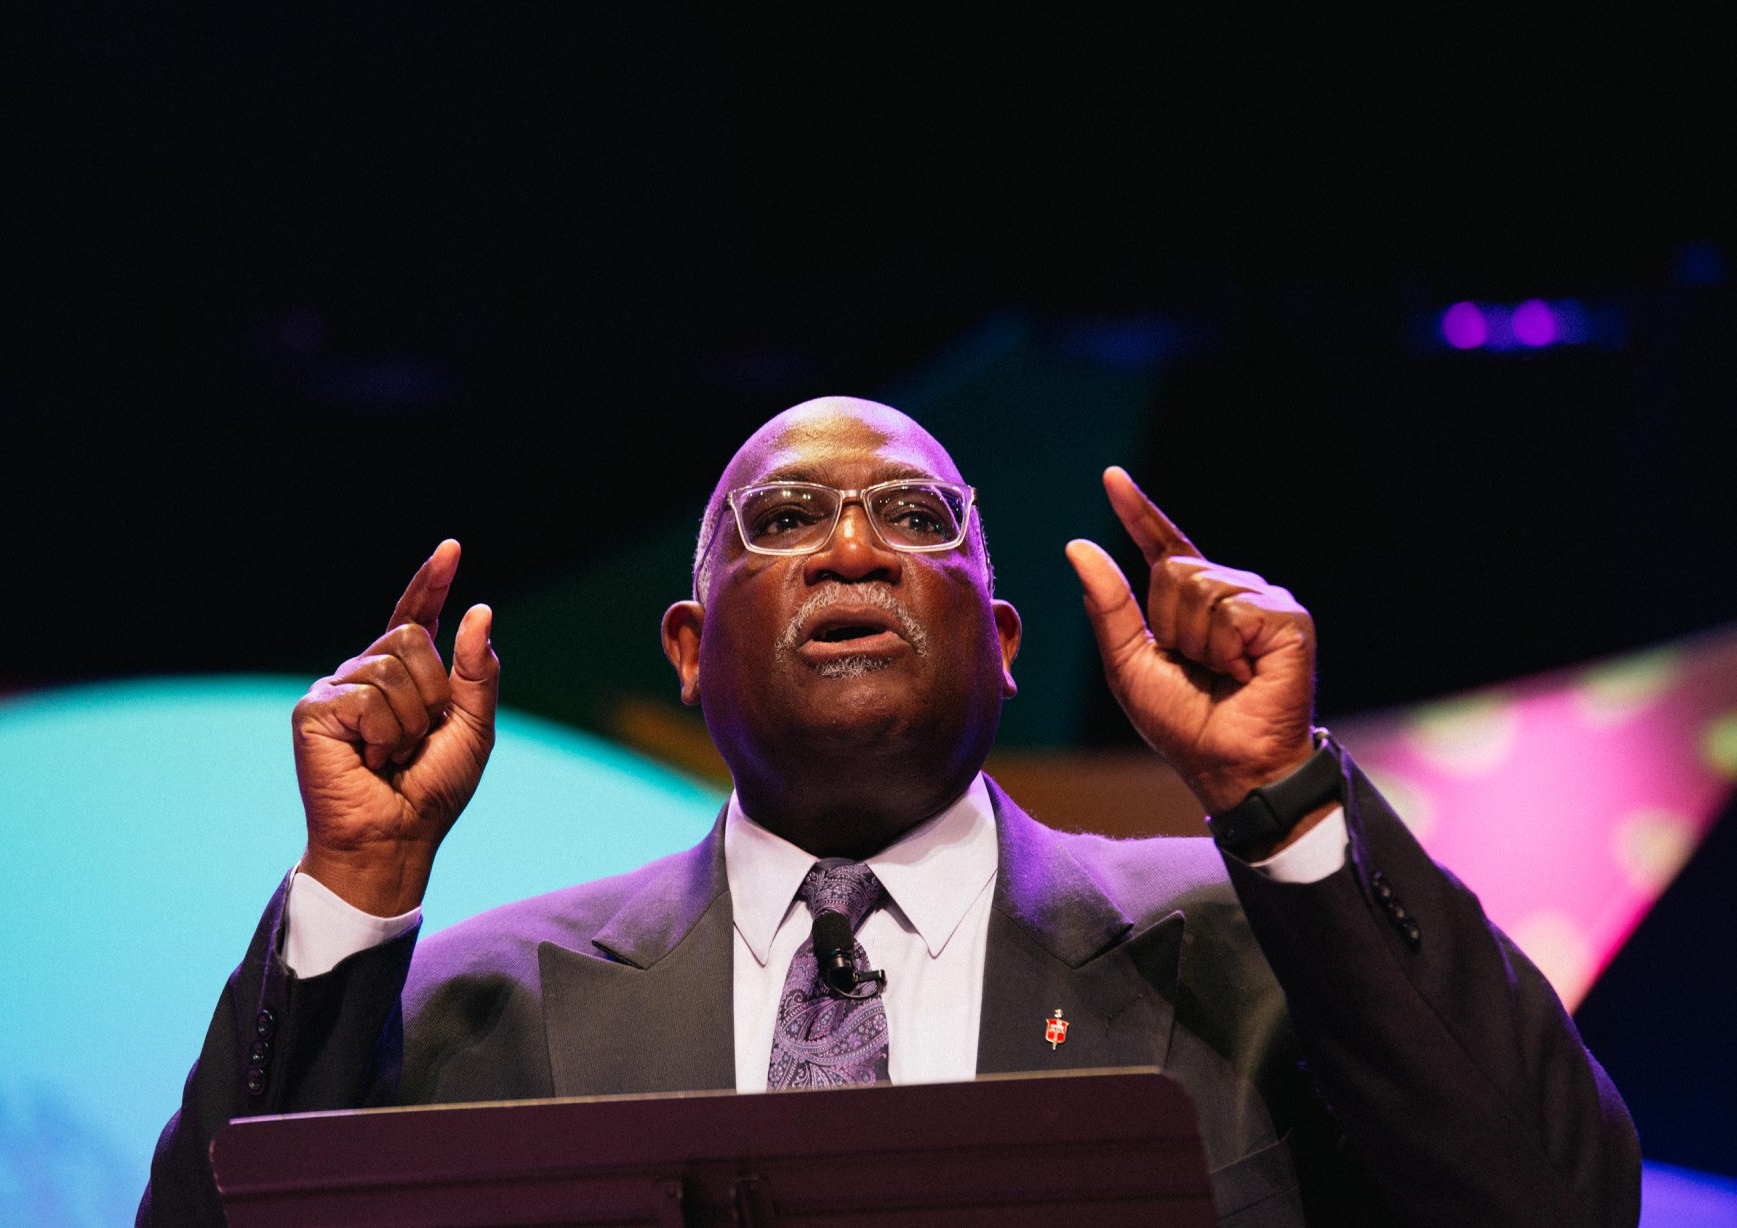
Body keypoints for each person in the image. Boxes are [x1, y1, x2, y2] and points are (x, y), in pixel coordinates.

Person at [140, 397, 1639, 1227]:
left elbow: (1559, 1204)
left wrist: (1281, 797)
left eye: (918, 519)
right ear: (688, 648)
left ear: (1001, 642)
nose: (853, 547)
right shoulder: (476, 1011)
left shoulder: (1246, 953)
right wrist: (360, 881)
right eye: (784, 521)